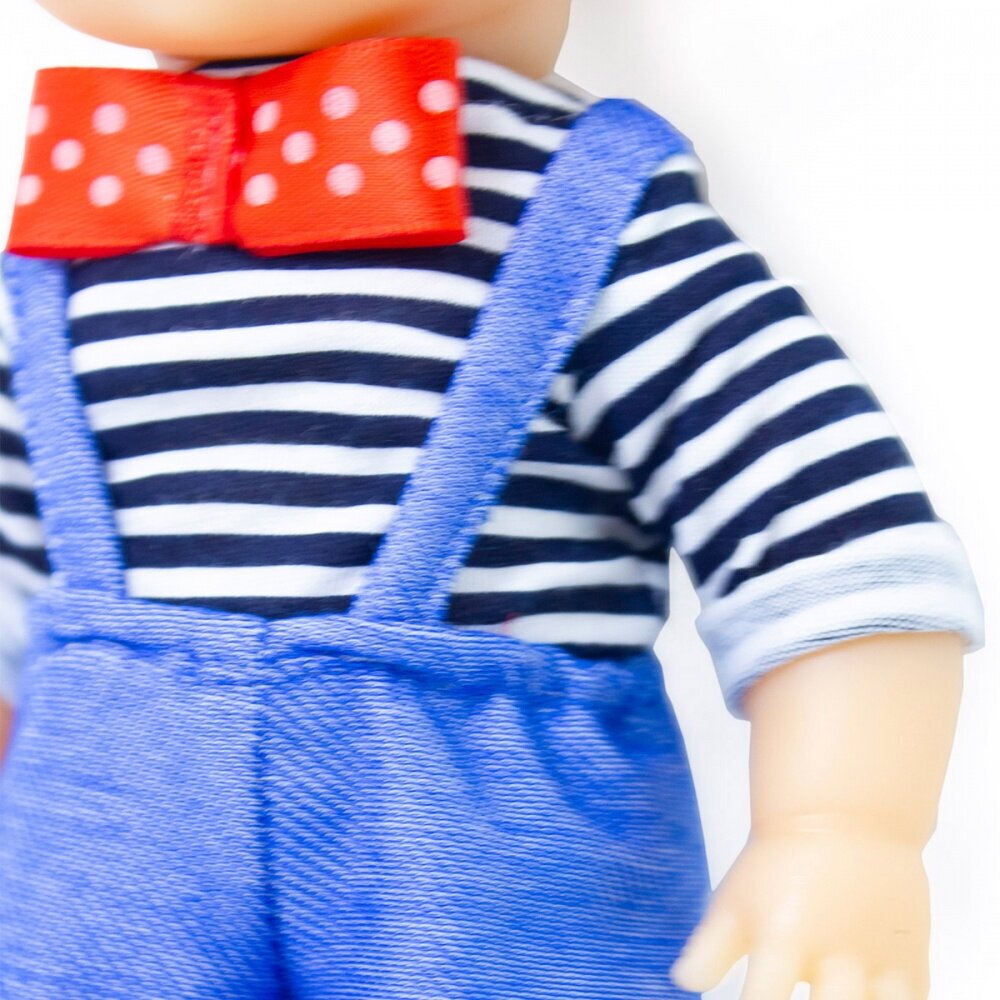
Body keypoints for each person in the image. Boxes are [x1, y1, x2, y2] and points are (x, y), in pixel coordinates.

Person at [0, 3, 985, 997]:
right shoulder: (69, 232)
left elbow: (810, 508)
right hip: (96, 846)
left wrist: (842, 822)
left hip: (486, 862)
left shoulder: (586, 208)